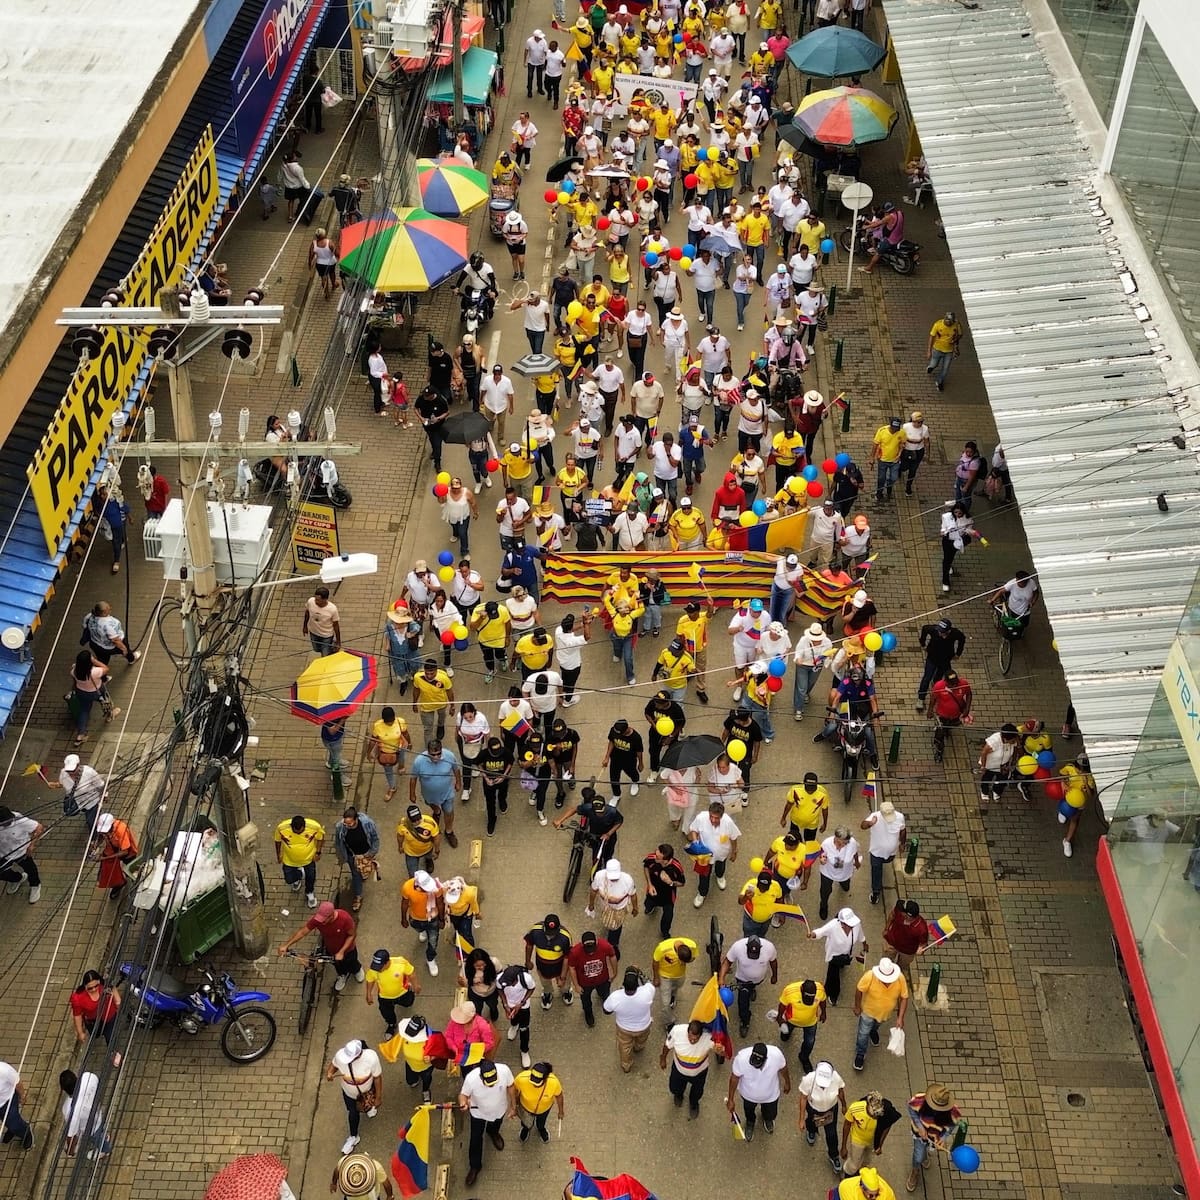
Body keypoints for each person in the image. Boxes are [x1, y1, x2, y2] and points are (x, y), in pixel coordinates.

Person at [279, 899, 364, 991]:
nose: (321, 922)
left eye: (324, 919)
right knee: (337, 965)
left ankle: (357, 970)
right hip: (331, 949)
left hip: (348, 950)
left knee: (352, 962)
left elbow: (352, 935)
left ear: (331, 915)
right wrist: (286, 945)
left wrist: (342, 951)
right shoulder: (318, 919)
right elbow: (303, 932)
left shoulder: (345, 918)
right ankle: (342, 975)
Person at [459, 1059, 515, 1187]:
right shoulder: (471, 1078)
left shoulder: (504, 1070)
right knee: (475, 1139)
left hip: (499, 1110)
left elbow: (511, 1086)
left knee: (495, 1126)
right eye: (488, 1083)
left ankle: (493, 1133)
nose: (491, 1085)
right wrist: (463, 1103)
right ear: (480, 1076)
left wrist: (513, 1106)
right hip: (478, 1113)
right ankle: (475, 1166)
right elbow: (463, 1095)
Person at [814, 665, 880, 769]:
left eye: (859, 680)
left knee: (868, 733)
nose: (857, 682)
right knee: (832, 726)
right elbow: (837, 698)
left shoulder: (867, 684)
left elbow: (872, 700)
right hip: (845, 706)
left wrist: (875, 716)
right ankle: (823, 735)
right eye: (855, 680)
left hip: (862, 709)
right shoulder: (845, 682)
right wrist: (832, 712)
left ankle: (873, 755)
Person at [326, 1038, 383, 1155]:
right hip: (349, 1093)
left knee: (368, 1103)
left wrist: (378, 1097)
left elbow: (377, 1078)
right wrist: (330, 1073)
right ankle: (353, 1136)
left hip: (367, 1091)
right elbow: (334, 1064)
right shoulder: (340, 1055)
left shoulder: (371, 1058)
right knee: (353, 1113)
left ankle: (369, 1107)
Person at [727, 1041, 790, 1142]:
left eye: (758, 1064)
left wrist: (787, 1082)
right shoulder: (741, 1058)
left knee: (771, 1113)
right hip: (748, 1095)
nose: (755, 1066)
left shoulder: (776, 1055)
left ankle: (768, 1119)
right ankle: (750, 1123)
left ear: (766, 1059)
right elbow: (734, 1078)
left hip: (771, 1096)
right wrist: (731, 1099)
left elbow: (783, 1068)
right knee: (749, 1112)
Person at [853, 957, 908, 1071]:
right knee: (863, 1034)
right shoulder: (870, 976)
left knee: (876, 1026)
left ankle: (873, 1031)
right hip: (868, 1012)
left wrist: (900, 1018)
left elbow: (904, 998)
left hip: (885, 1015)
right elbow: (859, 990)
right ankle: (860, 1054)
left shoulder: (900, 978)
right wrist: (857, 1006)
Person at [661, 1018, 722, 1119]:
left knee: (697, 1092)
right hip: (679, 1070)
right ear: (687, 1031)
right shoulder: (676, 1031)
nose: (692, 1041)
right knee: (674, 1087)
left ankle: (693, 1104)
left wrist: (721, 1051)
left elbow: (721, 1051)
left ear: (701, 1035)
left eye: (696, 1039)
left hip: (699, 1073)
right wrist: (663, 1058)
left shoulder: (709, 1038)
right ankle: (678, 1095)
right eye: (690, 1037)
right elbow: (667, 1046)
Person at [906, 1084, 960, 1193]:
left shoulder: (953, 1112)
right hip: (920, 1135)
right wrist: (920, 1127)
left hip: (935, 1137)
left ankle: (924, 1157)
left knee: (923, 1153)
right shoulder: (920, 1100)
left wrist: (944, 1137)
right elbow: (911, 1109)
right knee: (918, 1157)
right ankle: (915, 1171)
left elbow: (952, 1125)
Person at [408, 740, 462, 850]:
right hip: (429, 795)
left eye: (439, 754)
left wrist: (458, 782)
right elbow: (413, 779)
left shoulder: (449, 756)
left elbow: (456, 770)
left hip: (447, 793)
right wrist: (412, 794)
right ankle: (437, 811)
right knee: (431, 804)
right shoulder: (419, 761)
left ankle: (449, 831)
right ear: (428, 752)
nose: (436, 757)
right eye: (433, 754)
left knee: (449, 811)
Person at [722, 935, 780, 1037]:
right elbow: (727, 961)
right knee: (742, 1004)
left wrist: (774, 975)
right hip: (742, 981)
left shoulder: (769, 947)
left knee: (752, 987)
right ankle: (745, 1021)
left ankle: (752, 990)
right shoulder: (738, 947)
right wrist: (721, 978)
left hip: (758, 980)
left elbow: (773, 962)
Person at [603, 965, 657, 1072]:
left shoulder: (615, 997)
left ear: (624, 984)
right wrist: (639, 972)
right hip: (643, 1026)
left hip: (624, 1029)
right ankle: (638, 1047)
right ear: (637, 984)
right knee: (642, 1039)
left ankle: (626, 1065)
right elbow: (649, 982)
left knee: (624, 1047)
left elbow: (606, 1011)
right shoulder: (647, 992)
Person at [687, 801, 741, 908]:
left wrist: (734, 851)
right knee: (703, 876)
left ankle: (720, 876)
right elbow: (693, 830)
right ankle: (702, 893)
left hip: (722, 853)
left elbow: (734, 838)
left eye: (716, 818)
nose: (713, 820)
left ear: (721, 816)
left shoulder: (728, 822)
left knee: (721, 866)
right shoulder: (701, 818)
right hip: (705, 856)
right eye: (711, 816)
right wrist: (695, 842)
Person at [809, 907, 865, 1007]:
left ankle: (841, 966)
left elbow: (861, 935)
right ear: (842, 923)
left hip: (847, 954)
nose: (852, 926)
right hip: (834, 956)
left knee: (841, 965)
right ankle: (833, 994)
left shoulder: (856, 925)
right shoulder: (833, 925)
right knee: (833, 976)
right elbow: (821, 931)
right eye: (849, 924)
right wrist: (813, 934)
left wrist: (865, 944)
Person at [797, 1059, 846, 1169]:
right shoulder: (808, 1079)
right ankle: (811, 1131)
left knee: (832, 1134)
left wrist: (843, 1105)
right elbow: (803, 1098)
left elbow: (841, 1091)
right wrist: (801, 1119)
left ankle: (834, 1155)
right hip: (813, 1109)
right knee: (811, 1123)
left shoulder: (836, 1078)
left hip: (831, 1109)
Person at [567, 930, 618, 1028]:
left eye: (593, 948)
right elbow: (572, 968)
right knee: (586, 1000)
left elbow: (612, 956)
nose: (591, 952)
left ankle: (606, 1003)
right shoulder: (575, 952)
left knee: (605, 993)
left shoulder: (605, 946)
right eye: (588, 949)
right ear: (582, 945)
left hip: (602, 979)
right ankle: (588, 1013)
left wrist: (614, 972)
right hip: (584, 983)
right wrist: (576, 985)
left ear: (597, 942)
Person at [775, 977, 826, 1073]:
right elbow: (782, 1005)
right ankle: (786, 1033)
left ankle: (804, 1057)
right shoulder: (789, 991)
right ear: (801, 989)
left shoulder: (820, 990)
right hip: (791, 1020)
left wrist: (823, 1012)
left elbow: (822, 1001)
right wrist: (780, 1017)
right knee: (785, 1034)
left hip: (810, 1022)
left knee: (810, 1042)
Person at [274, 813, 324, 910]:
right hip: (289, 860)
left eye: (300, 832)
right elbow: (277, 841)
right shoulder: (281, 828)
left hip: (308, 859)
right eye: (295, 831)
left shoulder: (314, 827)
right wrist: (278, 854)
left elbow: (320, 838)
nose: (297, 834)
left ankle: (309, 892)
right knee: (289, 879)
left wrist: (318, 853)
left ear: (304, 827)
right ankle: (298, 876)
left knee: (310, 877)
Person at [364, 949, 419, 1035]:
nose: (377, 970)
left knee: (408, 1003)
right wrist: (368, 993)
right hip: (384, 997)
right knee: (386, 1013)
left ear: (387, 962)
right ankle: (392, 1024)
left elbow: (411, 973)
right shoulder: (374, 969)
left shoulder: (400, 963)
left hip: (403, 993)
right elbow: (370, 979)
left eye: (380, 967)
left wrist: (416, 985)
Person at [524, 914, 574, 1008]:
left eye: (553, 932)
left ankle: (566, 991)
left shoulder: (565, 936)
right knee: (545, 982)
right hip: (542, 966)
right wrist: (528, 961)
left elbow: (567, 957)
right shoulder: (534, 931)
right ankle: (547, 993)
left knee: (565, 983)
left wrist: (562, 977)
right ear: (544, 927)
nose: (551, 935)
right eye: (548, 932)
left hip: (560, 966)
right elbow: (529, 945)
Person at [861, 802, 906, 905]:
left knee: (885, 863)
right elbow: (862, 825)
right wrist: (870, 823)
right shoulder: (874, 816)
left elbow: (903, 830)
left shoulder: (900, 817)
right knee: (876, 871)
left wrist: (902, 843)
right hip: (876, 852)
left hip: (891, 853)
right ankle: (876, 892)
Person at [915, 618, 965, 709]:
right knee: (926, 678)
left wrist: (958, 653)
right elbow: (925, 628)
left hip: (945, 659)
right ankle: (921, 698)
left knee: (939, 678)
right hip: (932, 658)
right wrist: (923, 644)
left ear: (948, 631)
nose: (940, 633)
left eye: (942, 632)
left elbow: (962, 639)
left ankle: (936, 690)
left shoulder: (955, 634)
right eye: (939, 631)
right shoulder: (934, 630)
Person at [59, 1069, 110, 1159]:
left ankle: (105, 1150)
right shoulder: (88, 1077)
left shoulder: (69, 1109)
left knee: (97, 1138)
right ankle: (105, 1136)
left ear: (64, 1089)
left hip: (91, 1128)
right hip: (98, 1113)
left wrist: (70, 1151)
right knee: (101, 1128)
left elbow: (72, 1135)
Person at [513, 1060, 564, 1144]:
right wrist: (515, 1106)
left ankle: (541, 1129)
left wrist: (561, 1111)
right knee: (525, 1122)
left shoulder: (554, 1082)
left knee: (541, 1122)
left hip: (544, 1109)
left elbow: (559, 1096)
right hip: (526, 1108)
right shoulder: (521, 1079)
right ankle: (525, 1129)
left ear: (545, 1079)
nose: (534, 1084)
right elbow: (515, 1091)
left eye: (537, 1082)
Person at [498, 963, 537, 1069]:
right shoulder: (500, 979)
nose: (508, 985)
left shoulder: (526, 979)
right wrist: (505, 1005)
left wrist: (521, 1003)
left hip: (523, 1007)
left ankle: (524, 1051)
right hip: (510, 1005)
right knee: (513, 1018)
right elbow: (500, 990)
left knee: (524, 1028)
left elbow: (532, 988)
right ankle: (514, 1026)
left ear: (516, 980)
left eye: (510, 983)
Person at [0, 807, 44, 904]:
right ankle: (17, 878)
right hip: (3, 853)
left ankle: (35, 885)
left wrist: (31, 845)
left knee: (30, 869)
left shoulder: (21, 821)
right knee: (2, 872)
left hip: (21, 852)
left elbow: (39, 828)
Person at [369, 705, 410, 802]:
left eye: (392, 720)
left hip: (400, 748)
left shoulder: (400, 722)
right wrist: (369, 752)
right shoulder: (377, 726)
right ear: (383, 720)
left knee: (402, 759)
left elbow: (406, 733)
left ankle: (401, 766)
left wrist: (410, 743)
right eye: (388, 722)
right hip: (385, 752)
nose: (390, 723)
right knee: (388, 772)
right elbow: (373, 740)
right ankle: (392, 787)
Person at [411, 659, 455, 749]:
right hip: (426, 707)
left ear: (436, 670)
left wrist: (452, 705)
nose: (429, 676)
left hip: (441, 704)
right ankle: (429, 748)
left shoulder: (444, 678)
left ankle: (441, 726)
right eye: (427, 673)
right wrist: (414, 703)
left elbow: (449, 691)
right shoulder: (418, 677)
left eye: (432, 673)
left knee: (442, 716)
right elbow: (416, 689)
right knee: (427, 729)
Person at [69, 970, 120, 1047]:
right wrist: (80, 1032)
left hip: (110, 1017)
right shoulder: (78, 998)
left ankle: (114, 1054)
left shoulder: (104, 984)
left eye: (96, 986)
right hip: (93, 1022)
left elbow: (113, 989)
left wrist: (118, 1002)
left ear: (99, 981)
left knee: (111, 1039)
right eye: (90, 988)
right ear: (85, 986)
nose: (94, 989)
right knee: (96, 1034)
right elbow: (77, 1015)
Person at [977, 722, 1021, 809]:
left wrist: (1013, 761)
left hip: (1004, 766)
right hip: (991, 765)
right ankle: (984, 792)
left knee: (1002, 780)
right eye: (1012, 741)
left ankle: (996, 791)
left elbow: (1015, 749)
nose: (1014, 741)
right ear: (1006, 738)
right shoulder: (994, 741)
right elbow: (984, 753)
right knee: (987, 778)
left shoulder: (1014, 738)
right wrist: (983, 766)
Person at [83, 601, 140, 666]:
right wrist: (124, 649)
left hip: (96, 644)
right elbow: (115, 640)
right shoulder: (110, 624)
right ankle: (131, 659)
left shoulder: (88, 616)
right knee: (127, 650)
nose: (110, 608)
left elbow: (85, 626)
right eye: (108, 608)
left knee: (102, 660)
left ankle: (103, 674)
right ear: (104, 613)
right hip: (110, 646)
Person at [882, 899, 929, 976]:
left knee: (901, 968)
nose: (899, 911)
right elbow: (892, 915)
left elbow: (924, 944)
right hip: (891, 943)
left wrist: (921, 950)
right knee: (885, 962)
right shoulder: (899, 910)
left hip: (907, 952)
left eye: (903, 911)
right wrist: (886, 929)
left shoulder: (922, 928)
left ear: (908, 915)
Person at [926, 312, 962, 391]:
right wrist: (929, 351)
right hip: (937, 349)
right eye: (947, 322)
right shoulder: (937, 325)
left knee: (945, 369)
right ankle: (930, 367)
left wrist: (955, 343)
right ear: (944, 319)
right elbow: (931, 337)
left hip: (949, 351)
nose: (948, 324)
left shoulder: (956, 324)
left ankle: (939, 382)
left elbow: (959, 335)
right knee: (934, 364)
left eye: (950, 323)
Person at [302, 586, 341, 656]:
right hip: (313, 633)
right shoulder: (311, 601)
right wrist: (305, 626)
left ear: (325, 599)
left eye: (318, 600)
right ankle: (332, 646)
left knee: (324, 655)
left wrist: (338, 641)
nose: (316, 602)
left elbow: (336, 625)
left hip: (327, 636)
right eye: (315, 599)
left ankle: (329, 649)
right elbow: (307, 613)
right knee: (316, 649)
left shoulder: (332, 609)